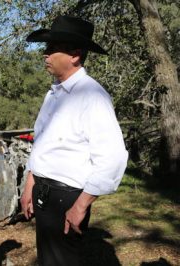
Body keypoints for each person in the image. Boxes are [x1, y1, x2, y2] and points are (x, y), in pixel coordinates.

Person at [21, 16, 128, 266]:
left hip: (66, 197)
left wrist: (80, 206)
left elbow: (112, 158)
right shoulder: (55, 93)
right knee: (49, 260)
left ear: (75, 55)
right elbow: (43, 145)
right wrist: (29, 185)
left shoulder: (92, 96)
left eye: (51, 48)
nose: (44, 54)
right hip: (44, 193)